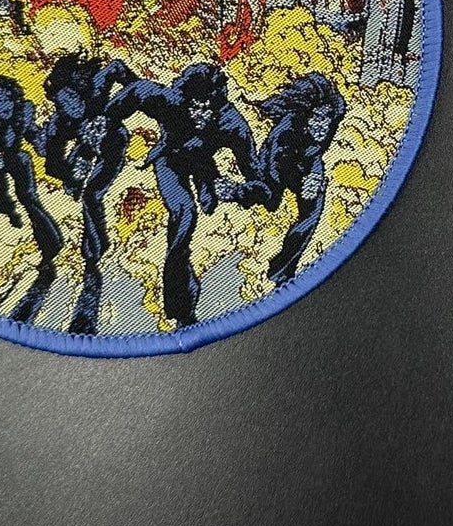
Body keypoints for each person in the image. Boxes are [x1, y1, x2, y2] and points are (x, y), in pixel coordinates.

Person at [107, 64, 256, 328]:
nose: (201, 114)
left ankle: (207, 190)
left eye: (207, 108)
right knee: (184, 213)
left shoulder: (231, 122)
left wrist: (239, 191)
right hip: (170, 161)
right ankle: (181, 304)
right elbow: (136, 91)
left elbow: (252, 169)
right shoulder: (169, 101)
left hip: (203, 165)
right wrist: (106, 119)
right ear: (185, 99)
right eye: (195, 106)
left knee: (208, 201)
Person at [220, 73, 347, 287]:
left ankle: (282, 271)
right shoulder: (284, 133)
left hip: (306, 162)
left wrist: (314, 177)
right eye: (316, 118)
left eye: (326, 119)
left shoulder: (333, 115)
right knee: (268, 195)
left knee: (313, 207)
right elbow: (274, 172)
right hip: (279, 160)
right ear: (305, 116)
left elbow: (314, 154)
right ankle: (235, 191)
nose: (322, 126)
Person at [41, 53, 137, 335]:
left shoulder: (96, 86)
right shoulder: (59, 123)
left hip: (113, 141)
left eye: (71, 98)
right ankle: (92, 247)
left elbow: (117, 68)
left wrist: (133, 91)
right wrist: (71, 171)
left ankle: (95, 249)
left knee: (92, 195)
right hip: (86, 148)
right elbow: (52, 163)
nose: (69, 106)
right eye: (63, 103)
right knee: (79, 189)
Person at [0, 76, 63, 326]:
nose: (5, 106)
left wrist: (45, 140)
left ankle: (50, 246)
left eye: (9, 100)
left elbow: (35, 138)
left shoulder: (19, 117)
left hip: (17, 160)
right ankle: (11, 234)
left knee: (29, 200)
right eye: (0, 101)